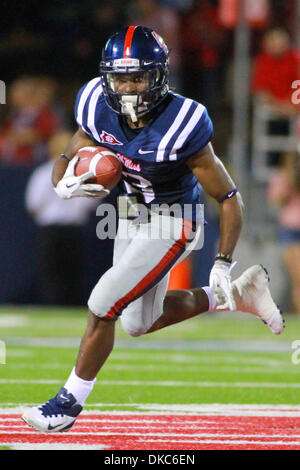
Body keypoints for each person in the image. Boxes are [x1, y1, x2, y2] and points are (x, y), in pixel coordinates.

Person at [22, 25, 283, 432]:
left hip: (174, 218)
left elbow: (230, 198)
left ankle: (68, 402)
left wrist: (222, 261)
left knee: (102, 302)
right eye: (119, 77)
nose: (126, 87)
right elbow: (70, 147)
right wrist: (62, 180)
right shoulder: (94, 100)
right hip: (129, 210)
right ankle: (237, 296)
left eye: (137, 76)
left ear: (159, 75)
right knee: (137, 322)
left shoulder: (184, 120)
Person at [25, 131, 97, 306]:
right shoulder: (81, 174)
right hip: (71, 229)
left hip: (53, 230)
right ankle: (66, 305)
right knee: (69, 271)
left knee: (55, 272)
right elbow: (90, 202)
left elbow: (34, 205)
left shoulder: (43, 173)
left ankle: (55, 305)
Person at [267, 150, 300, 315]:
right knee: (298, 278)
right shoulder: (283, 177)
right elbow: (275, 199)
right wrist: (290, 179)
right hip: (291, 229)